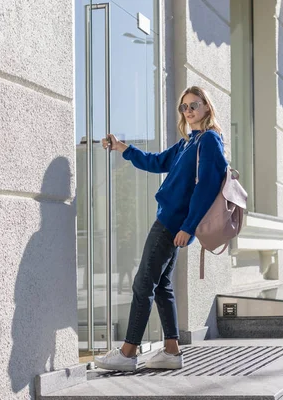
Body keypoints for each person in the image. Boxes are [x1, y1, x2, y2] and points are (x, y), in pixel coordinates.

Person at [95, 86, 228, 372]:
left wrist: (188, 227)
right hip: (171, 219)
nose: (189, 111)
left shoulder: (210, 141)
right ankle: (171, 350)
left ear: (207, 107)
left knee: (143, 283)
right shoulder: (187, 144)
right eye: (184, 107)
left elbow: (206, 188)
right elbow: (156, 162)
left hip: (172, 223)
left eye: (194, 105)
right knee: (162, 285)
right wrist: (124, 148)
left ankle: (128, 353)